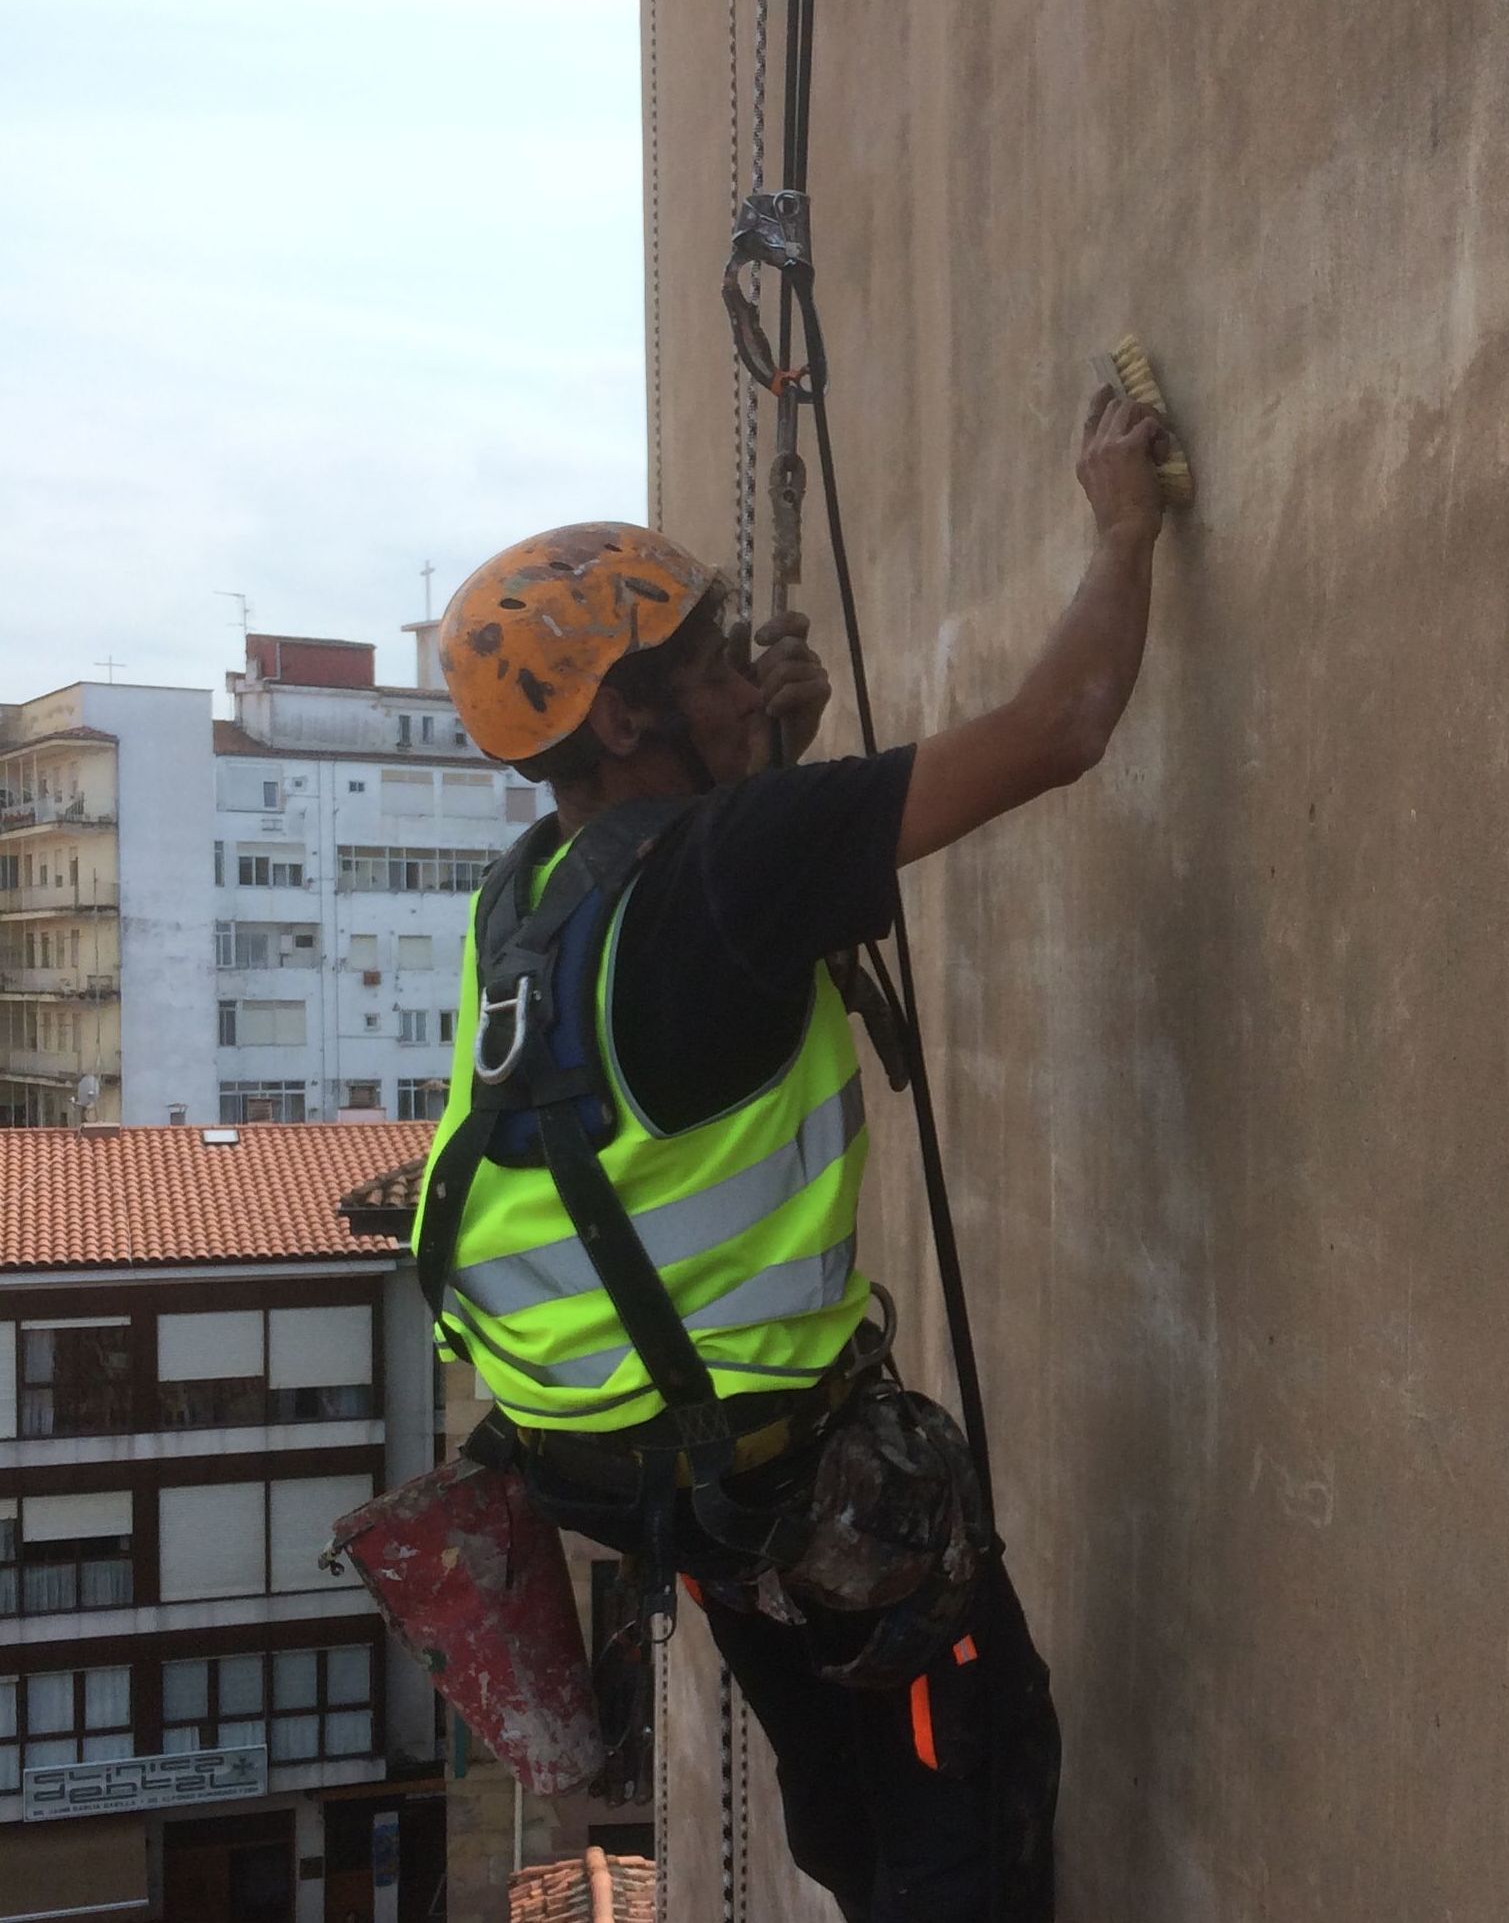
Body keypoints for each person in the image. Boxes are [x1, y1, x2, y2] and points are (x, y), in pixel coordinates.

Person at [410, 388, 1171, 1923]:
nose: (749, 674)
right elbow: (1062, 726)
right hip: (769, 1464)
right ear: (624, 719)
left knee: (835, 1768)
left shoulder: (532, 891)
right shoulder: (736, 866)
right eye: (712, 662)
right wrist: (1124, 523)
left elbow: (704, 976)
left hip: (623, 1468)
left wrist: (764, 758)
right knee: (966, 1769)